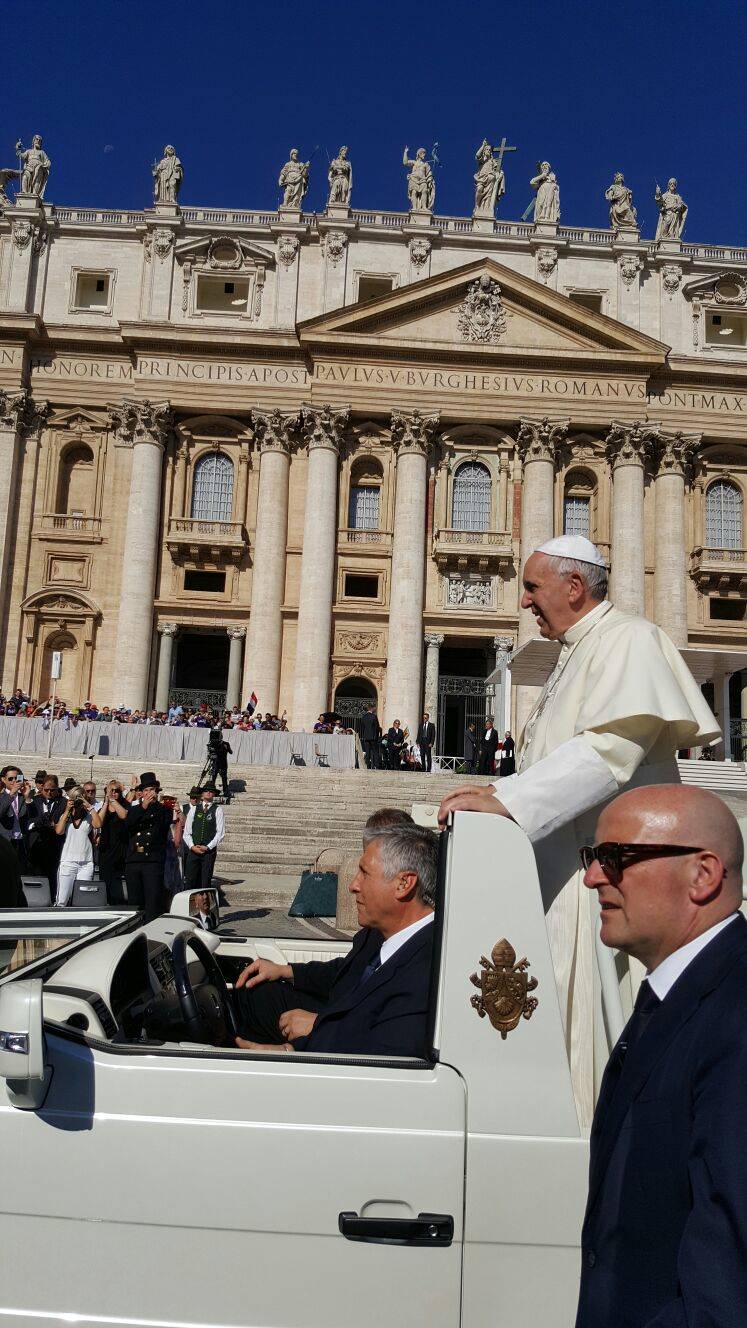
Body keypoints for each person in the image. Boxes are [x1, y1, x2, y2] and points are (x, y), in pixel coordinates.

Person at [438, 534, 719, 1126]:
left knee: (601, 1019)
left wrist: (507, 800)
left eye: (533, 587)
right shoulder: (574, 650)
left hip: (611, 874)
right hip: (565, 865)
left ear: (573, 586)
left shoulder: (630, 639)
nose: (523, 602)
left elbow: (609, 749)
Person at [576, 785, 747, 1328]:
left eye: (616, 858)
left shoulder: (736, 1012)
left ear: (703, 874)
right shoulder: (676, 996)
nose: (593, 877)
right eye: (593, 857)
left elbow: (726, 1278)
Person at [234, 825, 437, 1056]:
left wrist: (303, 1039)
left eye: (364, 873)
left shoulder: (426, 967)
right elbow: (347, 976)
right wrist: (287, 971)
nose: (353, 885)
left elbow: (379, 1051)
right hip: (330, 1036)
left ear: (404, 884)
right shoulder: (392, 938)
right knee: (257, 994)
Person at [109, 772, 174, 922]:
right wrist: (143, 806)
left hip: (153, 861)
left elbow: (164, 826)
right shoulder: (135, 809)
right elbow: (128, 822)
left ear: (157, 792)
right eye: (146, 790)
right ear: (142, 793)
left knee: (153, 901)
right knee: (135, 901)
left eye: (152, 790)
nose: (149, 793)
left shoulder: (163, 810)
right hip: (134, 860)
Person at [54, 787, 101, 906]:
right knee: (62, 900)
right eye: (76, 800)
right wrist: (67, 809)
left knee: (83, 899)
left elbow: (98, 824)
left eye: (80, 800)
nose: (78, 804)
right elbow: (59, 831)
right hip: (68, 861)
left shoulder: (89, 816)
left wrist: (88, 806)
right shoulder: (66, 817)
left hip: (86, 863)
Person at [29, 775, 66, 895]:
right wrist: (36, 824)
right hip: (37, 844)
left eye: (53, 790)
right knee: (37, 875)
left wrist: (53, 824)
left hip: (55, 844)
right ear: (41, 787)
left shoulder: (63, 802)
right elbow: (28, 821)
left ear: (57, 788)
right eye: (46, 790)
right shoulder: (34, 800)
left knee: (53, 875)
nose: (49, 792)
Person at [184, 784, 225, 890]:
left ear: (214, 794)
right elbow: (187, 832)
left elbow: (220, 833)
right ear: (202, 793)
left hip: (208, 852)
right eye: (206, 791)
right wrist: (192, 846)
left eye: (211, 791)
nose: (209, 792)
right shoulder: (194, 809)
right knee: (190, 879)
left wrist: (208, 847)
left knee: (205, 881)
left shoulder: (218, 810)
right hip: (193, 850)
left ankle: (204, 904)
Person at [97, 780, 129, 902]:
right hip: (106, 850)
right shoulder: (103, 806)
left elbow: (123, 815)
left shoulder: (124, 804)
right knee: (105, 882)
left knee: (120, 883)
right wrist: (106, 803)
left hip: (121, 849)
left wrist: (113, 801)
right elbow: (98, 822)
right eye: (111, 790)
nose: (114, 793)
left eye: (117, 791)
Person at [0, 766, 34, 869]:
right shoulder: (1, 796)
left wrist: (27, 797)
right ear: (3, 779)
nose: (14, 781)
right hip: (4, 842)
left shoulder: (23, 797)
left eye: (17, 778)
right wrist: (11, 795)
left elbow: (32, 817)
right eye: (11, 779)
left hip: (21, 841)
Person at [359, 703, 382, 770]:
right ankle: (376, 766)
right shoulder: (374, 716)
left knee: (367, 752)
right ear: (371, 708)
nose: (375, 709)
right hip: (373, 737)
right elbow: (377, 727)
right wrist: (377, 736)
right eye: (374, 708)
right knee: (375, 752)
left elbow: (362, 727)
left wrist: (363, 736)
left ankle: (367, 766)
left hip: (366, 737)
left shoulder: (364, 717)